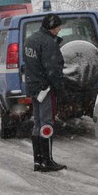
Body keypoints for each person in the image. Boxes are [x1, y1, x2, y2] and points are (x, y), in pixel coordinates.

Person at [24, 14, 68, 172]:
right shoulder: (48, 43)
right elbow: (53, 70)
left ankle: (38, 160)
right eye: (58, 26)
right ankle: (47, 161)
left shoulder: (31, 40)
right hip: (46, 88)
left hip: (33, 87)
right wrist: (60, 90)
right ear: (52, 27)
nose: (59, 29)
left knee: (37, 123)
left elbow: (29, 65)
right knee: (47, 124)